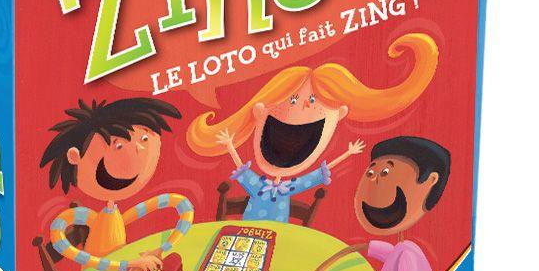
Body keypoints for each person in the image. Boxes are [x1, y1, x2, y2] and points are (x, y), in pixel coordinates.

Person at [186, 34, 439, 223]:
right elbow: (243, 168)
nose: (303, 109)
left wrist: (348, 154)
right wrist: (230, 145)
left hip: (280, 242)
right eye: (293, 99)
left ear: (339, 115)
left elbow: (317, 174)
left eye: (312, 102)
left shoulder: (287, 187)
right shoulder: (258, 185)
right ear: (259, 111)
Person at [292, 136, 450, 271]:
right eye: (370, 172)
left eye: (385, 172)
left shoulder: (407, 253)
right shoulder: (397, 250)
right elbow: (353, 249)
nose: (374, 179)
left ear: (430, 181)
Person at [39, 97, 193, 271]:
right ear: (75, 157)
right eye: (119, 146)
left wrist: (161, 249)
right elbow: (63, 244)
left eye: (144, 138)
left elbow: (183, 205)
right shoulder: (83, 217)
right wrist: (128, 264)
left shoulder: (114, 217)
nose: (138, 149)